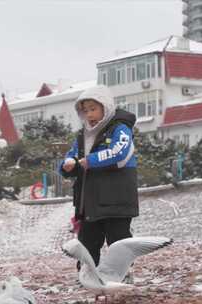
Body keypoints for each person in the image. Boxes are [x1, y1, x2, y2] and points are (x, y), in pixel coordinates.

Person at [59, 85, 138, 279]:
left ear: (106, 107)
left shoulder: (120, 128)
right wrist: (66, 166)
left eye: (93, 109)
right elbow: (73, 158)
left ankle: (123, 274)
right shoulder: (82, 135)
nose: (89, 115)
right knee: (87, 241)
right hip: (89, 202)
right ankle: (88, 276)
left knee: (118, 240)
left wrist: (91, 160)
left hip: (116, 199)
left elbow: (119, 153)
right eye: (85, 111)